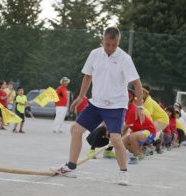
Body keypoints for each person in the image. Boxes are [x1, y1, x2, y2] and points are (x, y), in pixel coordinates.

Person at [51, 27, 144, 186]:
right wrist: (81, 97)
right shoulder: (94, 54)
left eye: (113, 45)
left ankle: (123, 173)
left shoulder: (124, 58)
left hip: (116, 105)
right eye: (107, 44)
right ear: (102, 40)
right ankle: (71, 167)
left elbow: (136, 83)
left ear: (118, 42)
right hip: (96, 103)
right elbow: (88, 76)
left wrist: (140, 106)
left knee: (115, 138)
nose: (110, 48)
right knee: (76, 129)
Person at [122, 90, 156, 164]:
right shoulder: (125, 108)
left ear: (130, 99)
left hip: (149, 131)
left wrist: (117, 137)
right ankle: (140, 151)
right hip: (138, 132)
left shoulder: (132, 109)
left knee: (132, 136)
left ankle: (137, 155)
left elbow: (126, 127)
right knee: (122, 143)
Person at [142, 86, 169, 154]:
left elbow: (147, 116)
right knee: (148, 131)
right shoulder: (144, 100)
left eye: (141, 92)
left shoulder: (148, 102)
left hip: (162, 119)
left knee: (147, 131)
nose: (138, 93)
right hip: (159, 119)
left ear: (145, 93)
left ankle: (149, 146)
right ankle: (155, 145)